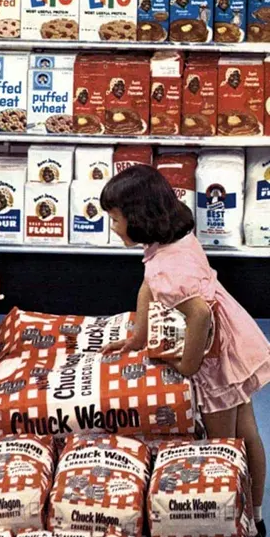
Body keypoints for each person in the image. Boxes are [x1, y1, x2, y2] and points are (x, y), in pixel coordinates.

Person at [100, 164, 270, 537]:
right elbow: (148, 285)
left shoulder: (169, 268)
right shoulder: (172, 240)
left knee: (225, 444)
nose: (113, 228)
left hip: (215, 355)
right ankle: (256, 513)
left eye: (116, 220)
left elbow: (200, 314)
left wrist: (189, 364)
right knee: (247, 430)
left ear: (139, 217)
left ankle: (243, 518)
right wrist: (137, 336)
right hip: (235, 338)